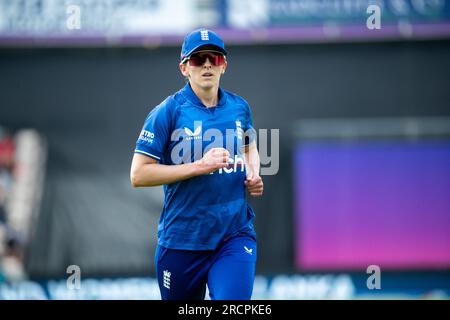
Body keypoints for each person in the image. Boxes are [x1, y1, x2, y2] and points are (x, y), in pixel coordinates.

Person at [130, 28, 263, 300]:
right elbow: (139, 174)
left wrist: (253, 172)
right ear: (184, 68)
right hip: (181, 242)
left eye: (213, 58)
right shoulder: (168, 111)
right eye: (197, 59)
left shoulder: (240, 108)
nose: (206, 65)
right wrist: (201, 166)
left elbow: (250, 147)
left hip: (233, 236)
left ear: (223, 65)